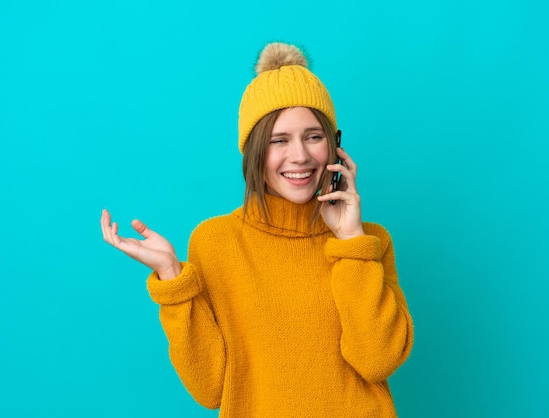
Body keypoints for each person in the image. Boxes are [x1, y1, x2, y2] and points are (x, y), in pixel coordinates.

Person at [101, 42, 414, 417]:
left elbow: (377, 361)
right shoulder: (217, 241)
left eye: (314, 136)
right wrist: (172, 279)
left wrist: (350, 242)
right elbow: (210, 388)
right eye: (278, 140)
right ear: (253, 152)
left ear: (335, 147)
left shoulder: (369, 241)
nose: (299, 155)